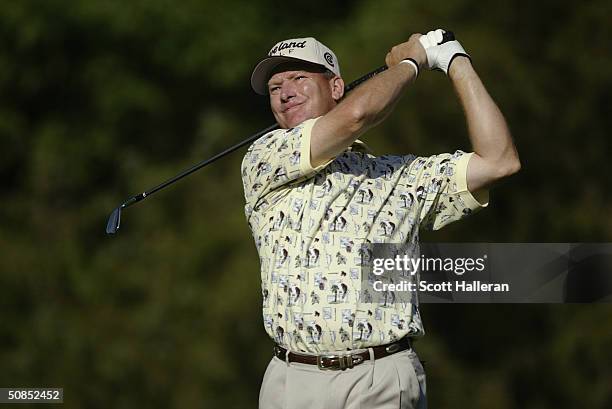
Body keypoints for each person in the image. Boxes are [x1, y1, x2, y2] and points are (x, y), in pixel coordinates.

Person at [241, 29, 520, 409]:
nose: (285, 92)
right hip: (292, 381)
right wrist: (412, 62)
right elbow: (356, 116)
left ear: (336, 86)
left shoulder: (396, 176)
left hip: (382, 377)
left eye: (299, 79)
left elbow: (500, 160)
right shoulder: (265, 158)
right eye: (275, 87)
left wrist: (455, 61)